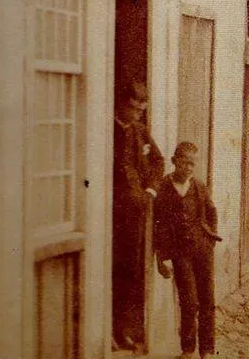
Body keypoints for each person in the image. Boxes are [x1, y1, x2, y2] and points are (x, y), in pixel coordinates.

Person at [154, 142, 222, 359]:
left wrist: (210, 239)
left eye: (192, 163)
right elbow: (159, 225)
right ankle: (188, 348)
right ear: (174, 162)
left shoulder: (199, 187)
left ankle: (208, 350)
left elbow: (212, 212)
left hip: (202, 250)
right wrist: (161, 258)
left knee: (207, 300)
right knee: (189, 301)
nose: (189, 168)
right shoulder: (164, 188)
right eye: (184, 162)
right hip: (179, 253)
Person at [113, 81, 165, 352]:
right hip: (111, 215)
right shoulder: (107, 131)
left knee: (131, 270)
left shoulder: (140, 132)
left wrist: (151, 190)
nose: (136, 115)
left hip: (135, 216)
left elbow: (158, 161)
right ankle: (112, 328)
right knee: (112, 268)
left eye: (140, 110)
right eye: (133, 108)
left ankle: (125, 329)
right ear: (122, 103)